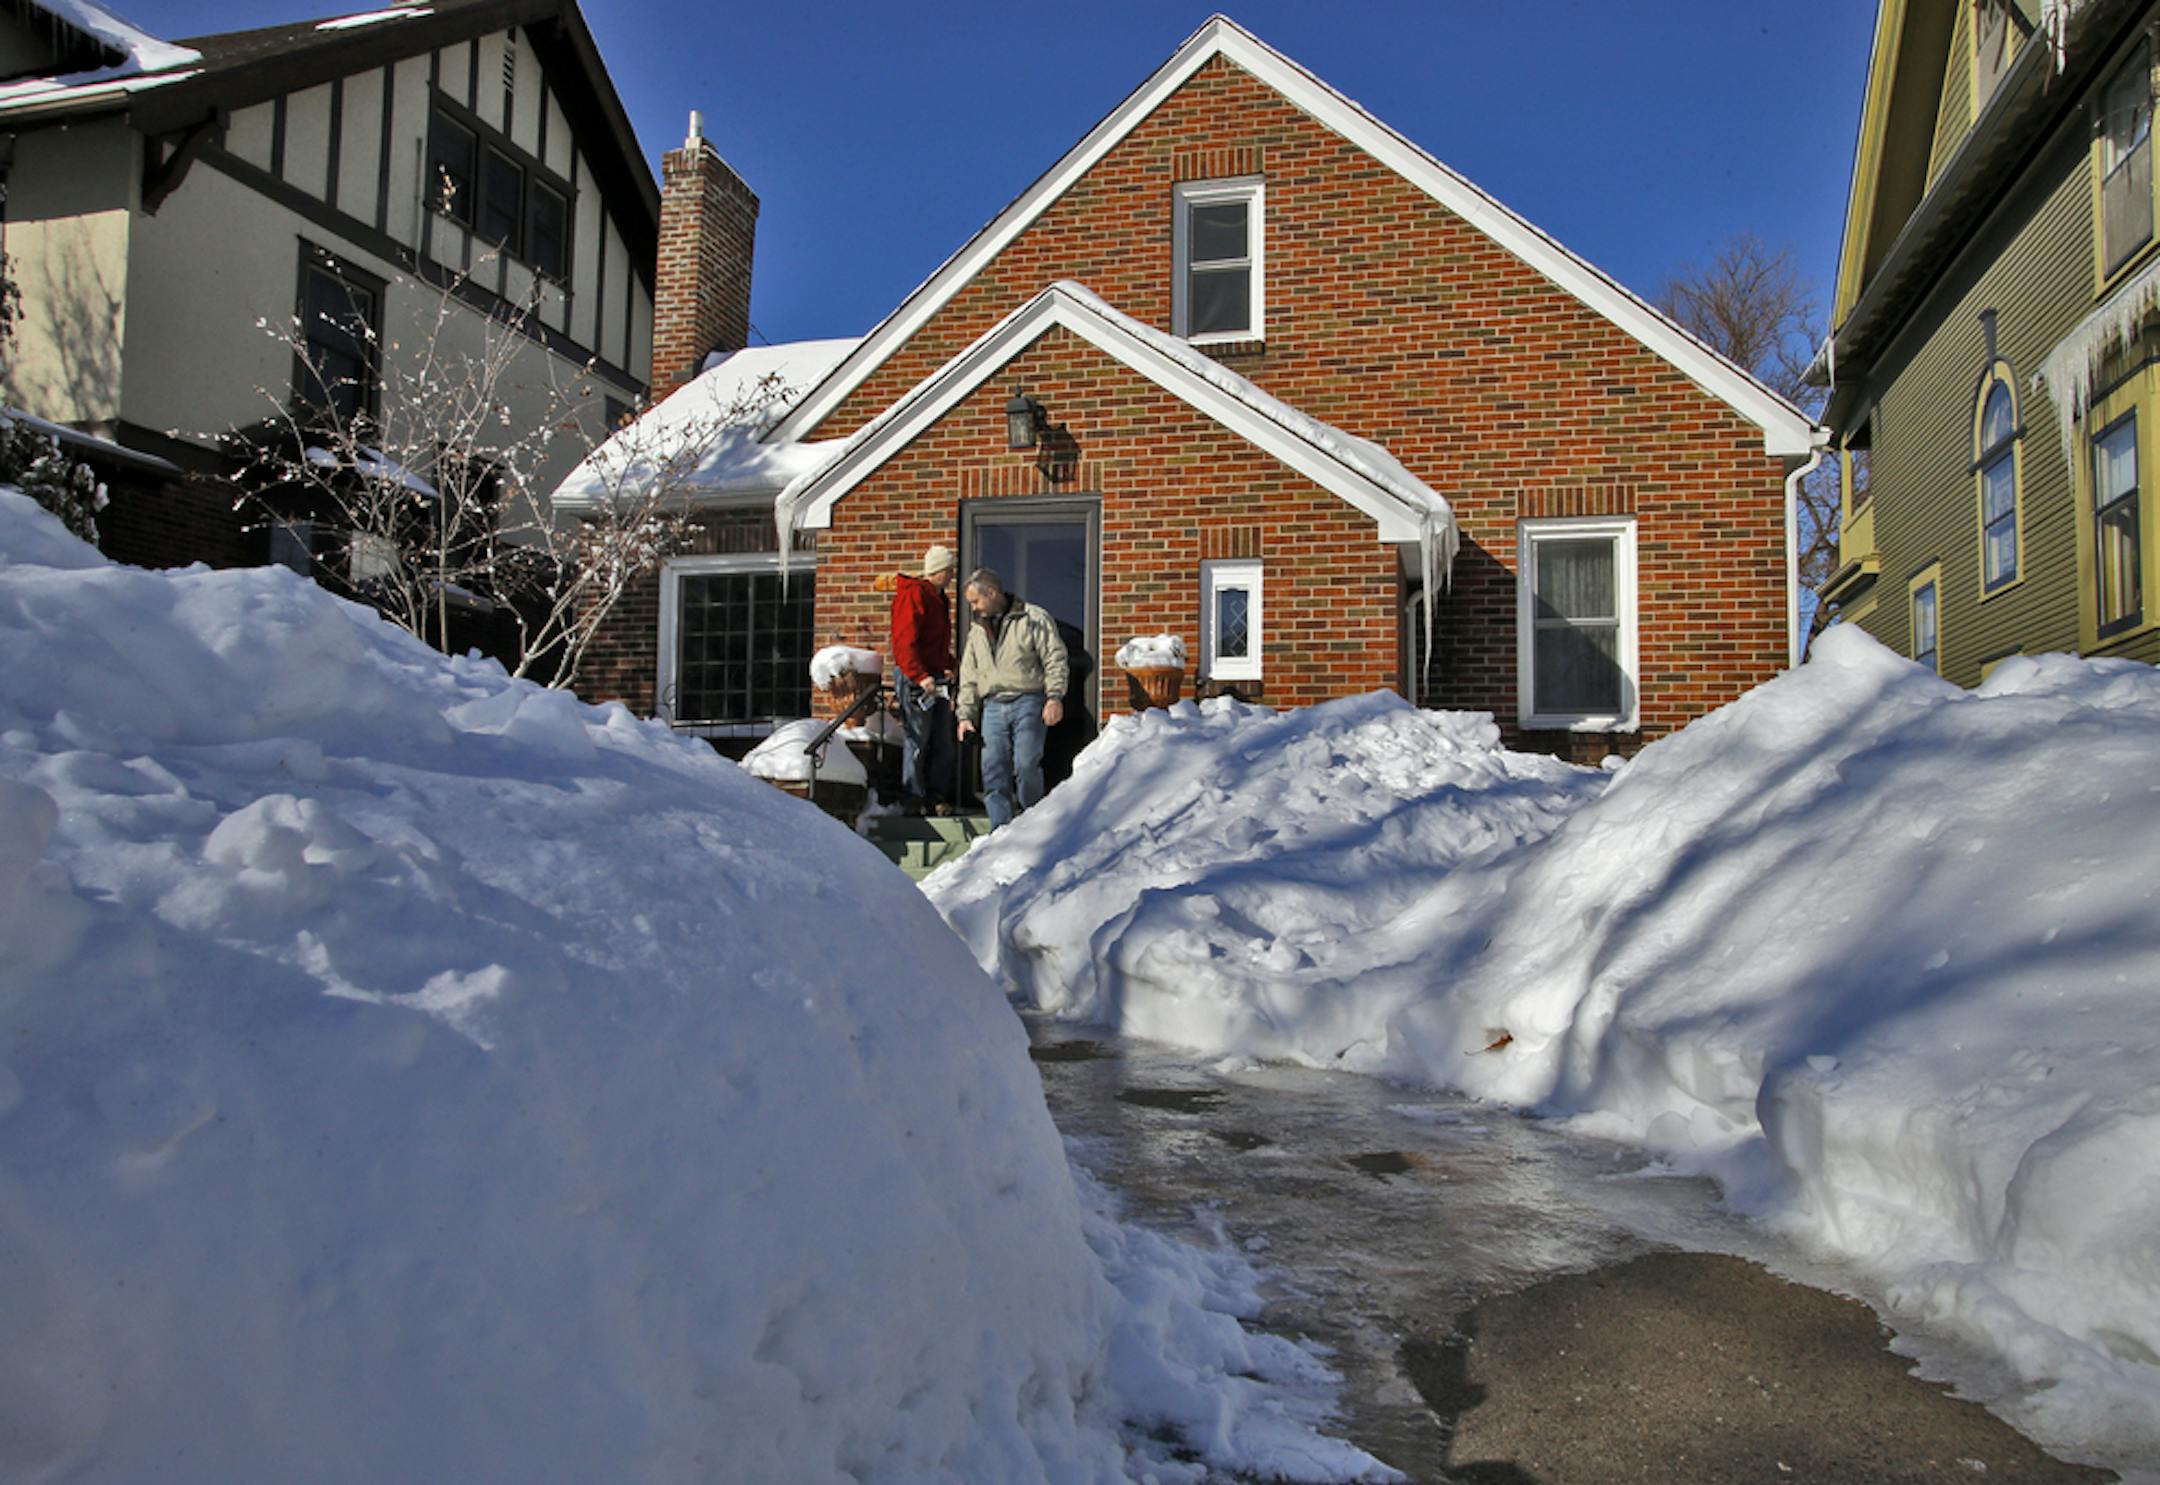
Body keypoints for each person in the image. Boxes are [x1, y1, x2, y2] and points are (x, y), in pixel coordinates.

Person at [955, 566, 1068, 830]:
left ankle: (1032, 825)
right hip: (992, 706)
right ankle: (1001, 831)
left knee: (1026, 764)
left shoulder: (1032, 618)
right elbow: (969, 676)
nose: (973, 608)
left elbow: (1055, 658)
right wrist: (965, 716)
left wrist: (1054, 697)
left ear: (992, 593)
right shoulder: (977, 631)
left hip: (1028, 700)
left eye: (976, 601)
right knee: (992, 770)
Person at [890, 544, 957, 812]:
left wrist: (949, 664)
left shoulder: (940, 598)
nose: (952, 574)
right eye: (949, 569)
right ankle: (913, 796)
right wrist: (920, 675)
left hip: (936, 677)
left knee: (942, 739)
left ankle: (936, 795)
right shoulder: (914, 595)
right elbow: (905, 642)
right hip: (916, 679)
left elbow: (934, 643)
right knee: (917, 738)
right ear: (938, 570)